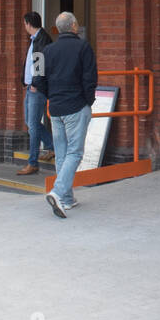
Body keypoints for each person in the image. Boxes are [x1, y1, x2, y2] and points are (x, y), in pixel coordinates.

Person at [42, 11, 97, 219]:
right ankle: (57, 192)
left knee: (62, 154)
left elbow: (39, 79)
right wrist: (88, 101)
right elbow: (90, 77)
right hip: (76, 106)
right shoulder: (83, 47)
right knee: (75, 153)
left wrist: (51, 96)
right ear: (74, 26)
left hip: (55, 108)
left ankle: (66, 198)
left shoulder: (47, 50)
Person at [17, 11, 56, 176]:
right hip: (31, 87)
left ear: (28, 23)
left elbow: (40, 66)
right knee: (30, 122)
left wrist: (35, 84)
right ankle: (53, 146)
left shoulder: (41, 40)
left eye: (24, 23)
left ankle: (32, 163)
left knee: (32, 126)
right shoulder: (35, 39)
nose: (24, 26)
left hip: (36, 89)